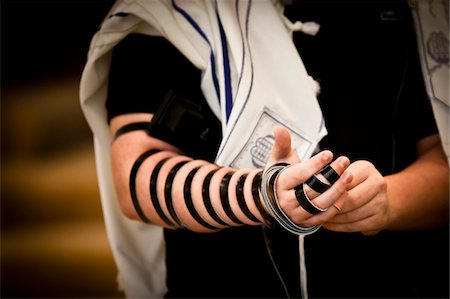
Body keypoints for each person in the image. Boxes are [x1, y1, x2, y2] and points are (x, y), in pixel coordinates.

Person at [80, 0, 449, 298]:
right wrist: (260, 195)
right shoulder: (167, 11)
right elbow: (135, 174)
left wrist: (386, 200)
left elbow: (441, 156)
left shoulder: (408, 11)